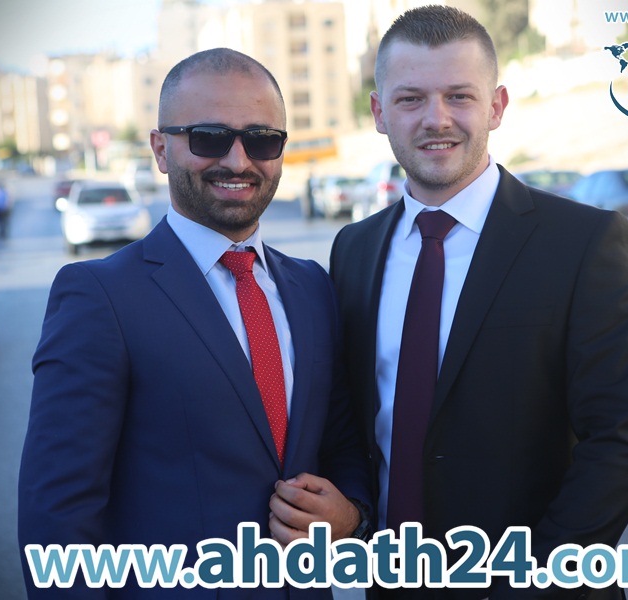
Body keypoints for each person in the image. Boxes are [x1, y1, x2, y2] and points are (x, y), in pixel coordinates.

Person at [329, 6, 628, 599]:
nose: (436, 118)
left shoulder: (584, 242)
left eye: (459, 96)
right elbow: (358, 422)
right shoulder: (353, 249)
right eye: (410, 99)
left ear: (497, 106)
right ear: (379, 113)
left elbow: (620, 440)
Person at [19, 48, 370, 599]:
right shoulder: (98, 296)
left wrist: (351, 516)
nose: (239, 160)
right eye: (210, 138)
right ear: (161, 149)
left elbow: (345, 445)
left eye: (262, 140)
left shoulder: (313, 287)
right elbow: (57, 519)